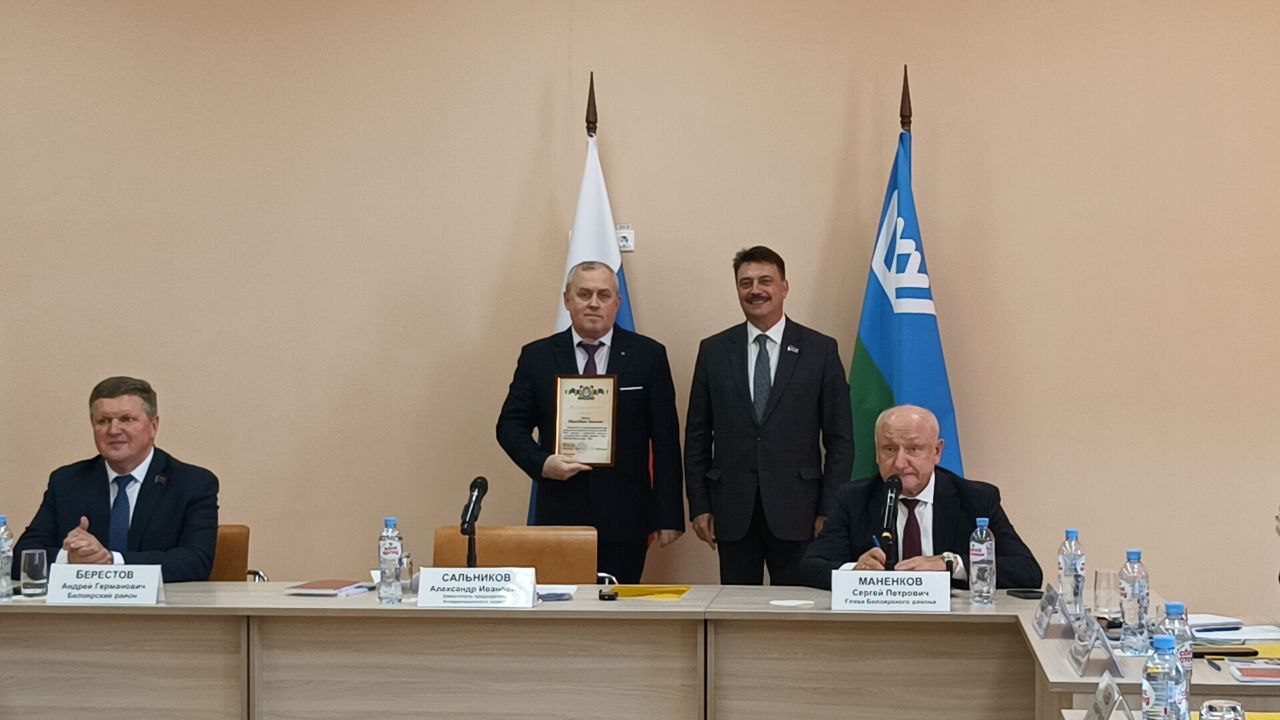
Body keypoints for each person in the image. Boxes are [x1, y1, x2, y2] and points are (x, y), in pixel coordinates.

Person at [496, 261, 684, 583]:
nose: (594, 303)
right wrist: (543, 464)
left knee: (618, 607)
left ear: (617, 302)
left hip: (627, 517)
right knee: (562, 607)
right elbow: (509, 427)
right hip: (560, 515)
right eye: (584, 294)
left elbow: (665, 439)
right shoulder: (537, 356)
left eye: (603, 295)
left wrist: (668, 515)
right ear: (567, 300)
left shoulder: (648, 356)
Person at [684, 246, 854, 585]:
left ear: (784, 287)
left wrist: (829, 509)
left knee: (796, 608)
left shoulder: (820, 350)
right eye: (745, 283)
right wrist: (700, 505)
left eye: (765, 280)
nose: (755, 290)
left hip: (800, 512)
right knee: (735, 609)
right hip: (732, 511)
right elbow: (697, 437)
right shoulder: (714, 350)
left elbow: (841, 440)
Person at [797, 404, 1042, 590]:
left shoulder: (976, 499)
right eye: (889, 449)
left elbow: (1027, 571)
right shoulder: (854, 499)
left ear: (936, 451)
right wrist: (855, 570)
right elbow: (809, 567)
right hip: (876, 625)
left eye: (913, 449)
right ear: (876, 453)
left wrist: (951, 564)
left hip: (952, 627)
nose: (899, 462)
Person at [11, 377, 219, 582]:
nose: (113, 430)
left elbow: (196, 562)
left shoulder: (192, 483)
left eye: (127, 419)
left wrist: (111, 561)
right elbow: (22, 557)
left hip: (163, 604)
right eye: (103, 421)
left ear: (153, 426)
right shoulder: (67, 482)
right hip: (84, 603)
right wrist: (69, 559)